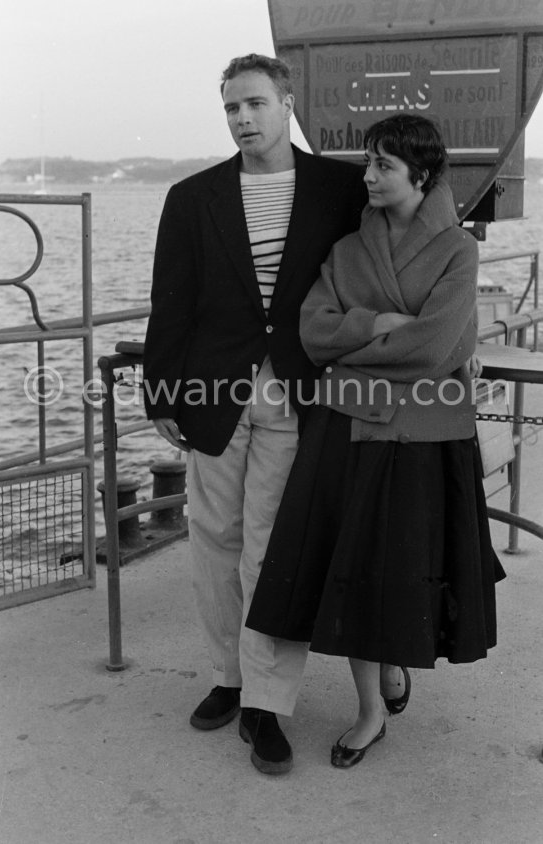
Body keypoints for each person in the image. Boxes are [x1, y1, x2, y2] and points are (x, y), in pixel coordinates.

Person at [247, 114, 505, 768]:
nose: (368, 177)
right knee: (356, 569)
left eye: (383, 166)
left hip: (422, 433)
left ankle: (394, 668)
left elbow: (437, 346)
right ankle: (368, 712)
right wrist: (385, 323)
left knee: (401, 566)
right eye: (368, 164)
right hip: (350, 431)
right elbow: (312, 332)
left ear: (421, 174)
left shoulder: (458, 249)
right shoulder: (347, 249)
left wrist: (359, 344)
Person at [142, 54, 368, 775]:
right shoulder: (193, 196)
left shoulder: (336, 187)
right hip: (214, 393)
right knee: (213, 539)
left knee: (272, 547)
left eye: (254, 104)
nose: (242, 118)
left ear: (287, 103)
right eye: (231, 108)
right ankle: (229, 680)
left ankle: (268, 702)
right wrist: (162, 392)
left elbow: (375, 265)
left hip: (296, 392)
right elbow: (170, 300)